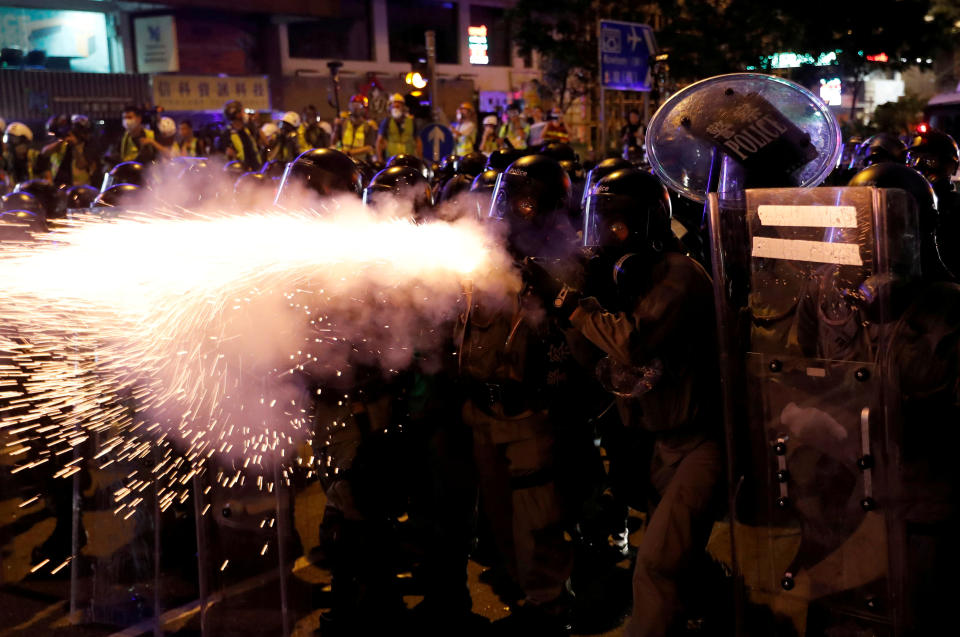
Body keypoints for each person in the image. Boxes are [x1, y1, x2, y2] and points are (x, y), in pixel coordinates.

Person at [526, 168, 722, 637]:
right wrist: (566, 312)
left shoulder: (679, 275)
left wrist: (575, 305)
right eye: (601, 222)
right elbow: (601, 365)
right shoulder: (629, 277)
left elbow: (632, 344)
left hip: (698, 442)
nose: (605, 235)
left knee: (657, 564)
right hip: (655, 443)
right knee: (674, 556)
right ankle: (721, 607)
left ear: (646, 223)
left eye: (616, 224)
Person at [458, 155, 586, 635]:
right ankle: (529, 602)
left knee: (537, 525)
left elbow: (569, 349)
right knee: (501, 525)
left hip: (530, 416)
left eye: (515, 200)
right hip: (484, 412)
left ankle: (549, 609)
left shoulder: (562, 267)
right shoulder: (485, 259)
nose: (503, 211)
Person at [39, 114, 98, 187]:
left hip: (79, 188)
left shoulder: (88, 146)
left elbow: (81, 165)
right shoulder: (61, 142)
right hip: (57, 186)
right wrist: (63, 139)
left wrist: (75, 145)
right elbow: (44, 152)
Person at [377, 94, 422, 162]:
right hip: (391, 160)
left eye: (398, 106)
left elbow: (418, 141)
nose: (395, 109)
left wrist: (420, 159)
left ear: (403, 107)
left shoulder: (411, 121)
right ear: (390, 108)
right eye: (393, 106)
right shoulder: (387, 121)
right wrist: (380, 159)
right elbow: (379, 141)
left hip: (409, 159)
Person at [221, 100, 262, 172]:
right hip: (239, 173)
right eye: (242, 112)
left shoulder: (247, 130)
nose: (244, 114)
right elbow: (226, 155)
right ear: (235, 114)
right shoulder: (227, 134)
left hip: (255, 171)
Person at [336, 95, 378, 163]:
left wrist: (349, 152)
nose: (355, 108)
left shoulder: (369, 126)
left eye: (358, 106)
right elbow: (334, 142)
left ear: (364, 108)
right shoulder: (344, 123)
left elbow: (369, 147)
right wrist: (336, 127)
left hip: (360, 163)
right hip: (343, 161)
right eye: (353, 105)